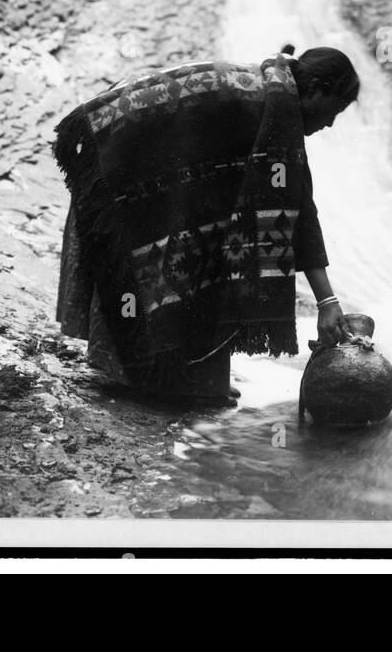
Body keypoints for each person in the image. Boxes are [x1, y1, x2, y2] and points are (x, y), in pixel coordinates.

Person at [54, 44, 360, 406]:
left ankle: (192, 380)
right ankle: (143, 377)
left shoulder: (277, 97)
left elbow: (295, 204)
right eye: (335, 110)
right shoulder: (272, 106)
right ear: (317, 89)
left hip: (135, 159)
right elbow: (301, 213)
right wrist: (327, 303)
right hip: (115, 167)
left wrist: (328, 301)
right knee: (161, 255)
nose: (330, 123)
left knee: (211, 242)